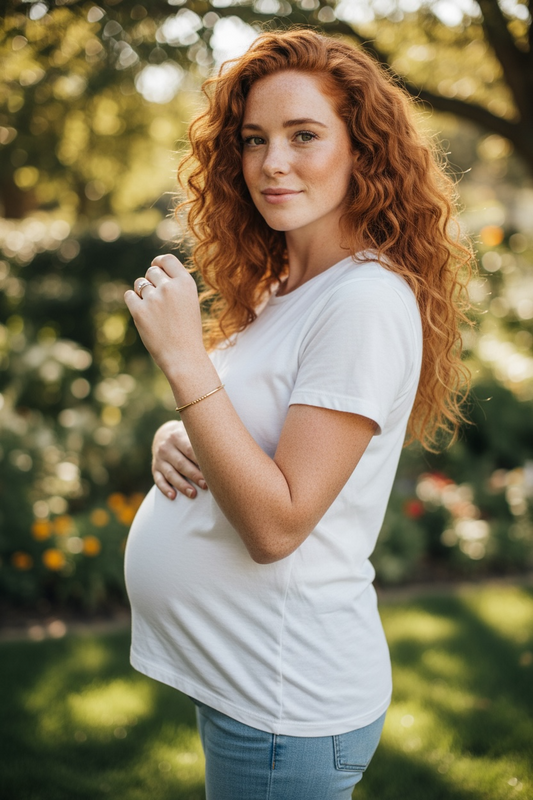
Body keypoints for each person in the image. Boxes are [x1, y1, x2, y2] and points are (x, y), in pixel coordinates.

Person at [123, 28, 472, 800]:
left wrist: (183, 364)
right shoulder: (286, 288)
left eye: (303, 135)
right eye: (253, 140)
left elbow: (278, 525)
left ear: (363, 151)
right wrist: (173, 436)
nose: (271, 163)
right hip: (250, 688)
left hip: (285, 705)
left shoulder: (364, 302)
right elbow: (241, 428)